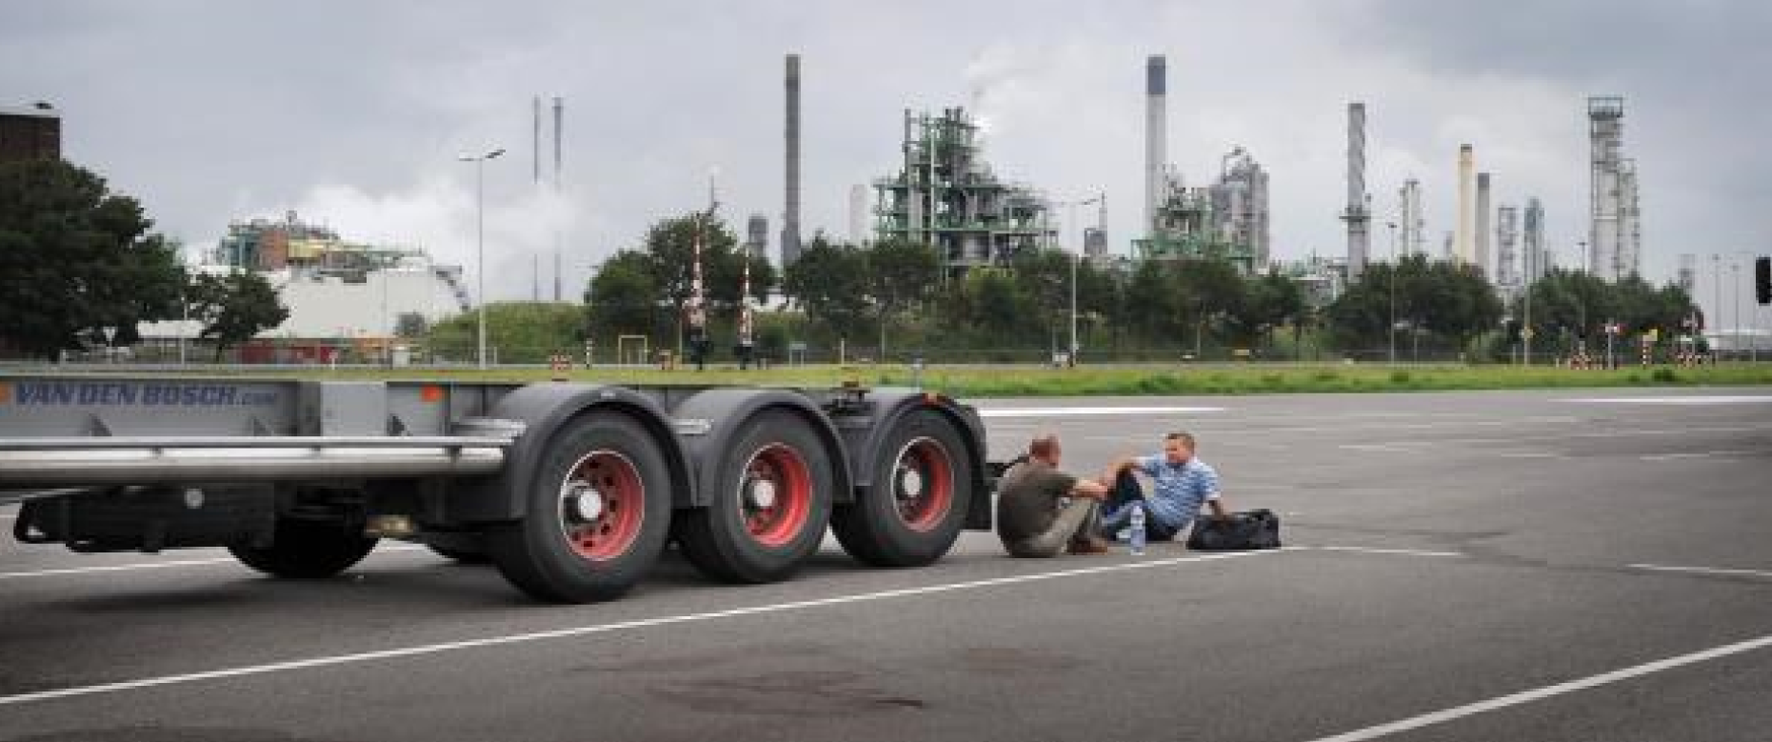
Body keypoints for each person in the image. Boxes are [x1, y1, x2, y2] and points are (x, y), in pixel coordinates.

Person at [995, 433, 1113, 557]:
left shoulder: (1015, 470)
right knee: (1088, 495)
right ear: (1054, 453)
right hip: (1038, 546)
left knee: (1065, 498)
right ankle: (1082, 541)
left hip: (1011, 547)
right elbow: (1100, 491)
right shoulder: (1048, 474)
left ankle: (1081, 539)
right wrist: (1110, 475)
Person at [1102, 431, 1230, 542]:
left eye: (1174, 449)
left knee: (1137, 507)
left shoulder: (1202, 472)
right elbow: (1126, 460)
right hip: (1150, 512)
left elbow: (1214, 502)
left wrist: (1226, 527)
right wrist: (1111, 472)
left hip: (1164, 527)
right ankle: (1102, 521)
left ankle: (1096, 531)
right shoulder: (1163, 461)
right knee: (1122, 473)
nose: (1169, 453)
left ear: (1190, 450)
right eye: (1167, 449)